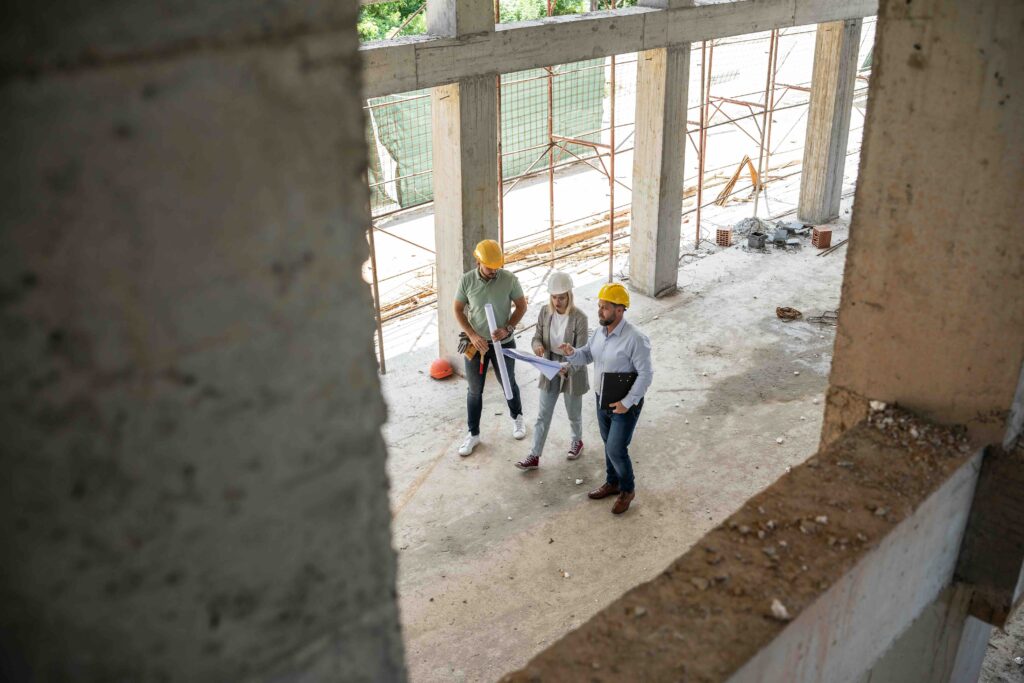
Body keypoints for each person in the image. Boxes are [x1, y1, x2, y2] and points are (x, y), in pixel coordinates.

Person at [559, 283, 652, 514]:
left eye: (605, 308)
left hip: (624, 404)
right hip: (603, 398)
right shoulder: (600, 332)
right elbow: (588, 355)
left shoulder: (635, 339)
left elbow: (646, 375)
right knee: (608, 445)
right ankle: (612, 483)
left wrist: (627, 402)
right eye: (599, 306)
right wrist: (572, 353)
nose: (600, 311)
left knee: (616, 449)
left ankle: (627, 489)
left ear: (620, 310)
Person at [454, 239, 529, 457]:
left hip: (503, 343)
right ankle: (473, 434)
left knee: (508, 381)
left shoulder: (508, 279)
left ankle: (518, 419)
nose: (494, 271)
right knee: (474, 390)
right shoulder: (467, 281)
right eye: (489, 267)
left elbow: (522, 306)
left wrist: (508, 328)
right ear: (478, 261)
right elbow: (458, 309)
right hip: (477, 346)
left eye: (497, 267)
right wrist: (472, 335)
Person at [515, 271, 589, 471]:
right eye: (554, 297)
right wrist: (538, 346)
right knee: (543, 414)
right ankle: (534, 454)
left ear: (569, 295)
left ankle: (577, 441)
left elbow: (582, 352)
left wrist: (567, 365)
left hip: (571, 368)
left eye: (562, 297)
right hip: (549, 366)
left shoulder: (580, 318)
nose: (558, 302)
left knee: (573, 412)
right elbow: (536, 337)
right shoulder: (544, 312)